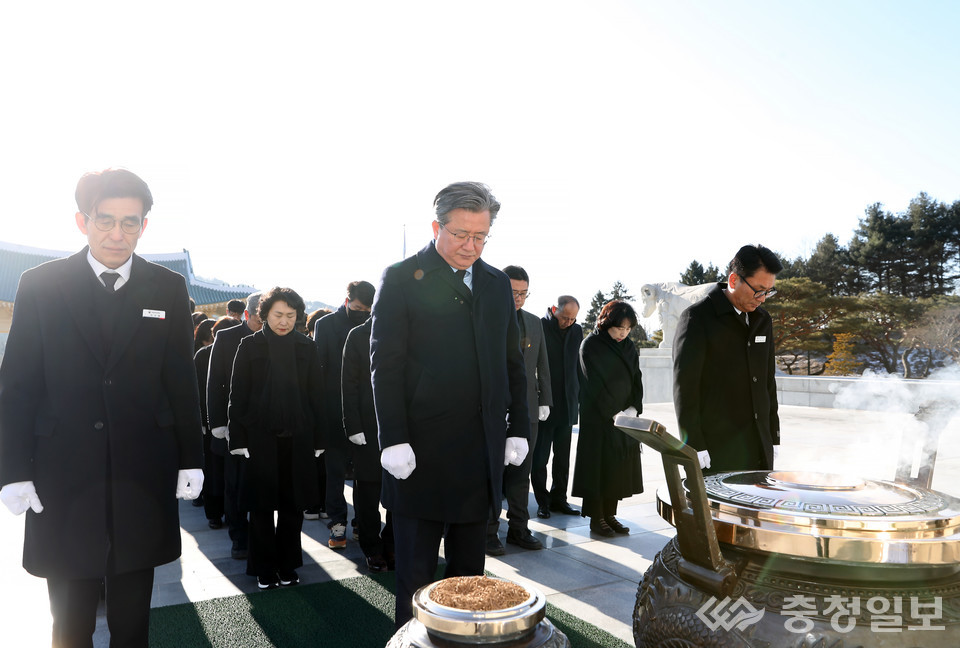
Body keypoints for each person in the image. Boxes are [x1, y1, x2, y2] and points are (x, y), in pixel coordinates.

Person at [0, 168, 204, 648]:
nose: (118, 234)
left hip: (141, 474)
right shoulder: (41, 284)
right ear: (82, 220)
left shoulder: (167, 288)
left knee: (133, 619)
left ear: (144, 226)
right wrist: (12, 470)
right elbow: (18, 385)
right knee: (69, 622)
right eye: (105, 220)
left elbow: (180, 379)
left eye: (130, 222)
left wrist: (190, 457)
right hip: (62, 474)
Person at [370, 181, 529, 629]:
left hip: (479, 455)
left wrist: (517, 427)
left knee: (469, 584)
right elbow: (386, 364)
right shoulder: (401, 277)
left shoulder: (497, 283)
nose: (471, 246)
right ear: (436, 226)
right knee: (416, 585)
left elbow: (512, 362)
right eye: (461, 234)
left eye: (481, 236)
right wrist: (393, 439)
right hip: (419, 453)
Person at [227, 287, 324, 590]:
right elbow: (237, 395)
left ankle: (288, 566)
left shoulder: (307, 347)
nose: (284, 321)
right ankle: (263, 568)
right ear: (264, 314)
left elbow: (317, 395)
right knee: (261, 508)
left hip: (299, 438)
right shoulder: (249, 345)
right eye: (278, 315)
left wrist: (319, 438)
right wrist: (237, 439)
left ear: (298, 317)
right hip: (259, 439)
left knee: (293, 508)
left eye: (290, 316)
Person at [673, 244, 783, 473]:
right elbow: (685, 388)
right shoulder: (697, 318)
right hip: (716, 449)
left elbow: (767, 382)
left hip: (759, 446)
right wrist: (692, 443)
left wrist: (773, 435)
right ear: (734, 281)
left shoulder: (763, 321)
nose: (762, 299)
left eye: (769, 292)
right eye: (759, 290)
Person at [486, 265, 552, 555]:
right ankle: (488, 531)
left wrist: (545, 400)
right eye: (513, 292)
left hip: (527, 408)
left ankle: (518, 528)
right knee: (492, 473)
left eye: (523, 293)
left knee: (521, 470)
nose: (519, 298)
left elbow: (542, 365)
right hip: (492, 408)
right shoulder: (484, 319)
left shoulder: (535, 323)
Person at [572, 300, 644, 537]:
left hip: (624, 417)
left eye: (627, 329)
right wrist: (614, 412)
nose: (623, 333)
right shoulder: (591, 344)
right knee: (599, 468)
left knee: (617, 467)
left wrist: (634, 406)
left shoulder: (628, 346)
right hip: (600, 417)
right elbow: (593, 384)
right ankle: (596, 517)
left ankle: (610, 514)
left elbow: (636, 377)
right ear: (606, 323)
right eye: (619, 328)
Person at [313, 281, 375, 549]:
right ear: (347, 299)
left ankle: (362, 522)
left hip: (363, 413)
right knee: (335, 473)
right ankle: (337, 523)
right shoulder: (326, 325)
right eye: (359, 308)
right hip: (332, 411)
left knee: (365, 473)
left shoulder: (372, 326)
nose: (362, 312)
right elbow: (318, 372)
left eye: (368, 309)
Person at [207, 292, 261, 560]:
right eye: (260, 319)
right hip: (234, 424)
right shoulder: (226, 338)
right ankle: (239, 537)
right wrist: (217, 423)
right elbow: (215, 381)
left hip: (267, 426)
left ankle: (263, 536)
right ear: (248, 315)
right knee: (235, 484)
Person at [341, 316, 394, 572]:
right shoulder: (357, 335)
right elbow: (348, 384)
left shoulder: (411, 328)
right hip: (367, 425)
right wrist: (353, 426)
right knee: (368, 490)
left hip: (401, 424)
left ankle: (393, 544)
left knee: (400, 488)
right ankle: (372, 548)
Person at [531, 295, 582, 519]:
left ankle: (559, 499)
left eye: (572, 319)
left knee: (563, 457)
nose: (568, 322)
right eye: (565, 317)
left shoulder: (577, 331)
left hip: (568, 403)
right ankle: (542, 502)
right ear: (554, 309)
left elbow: (578, 366)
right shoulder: (540, 326)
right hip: (545, 403)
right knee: (540, 457)